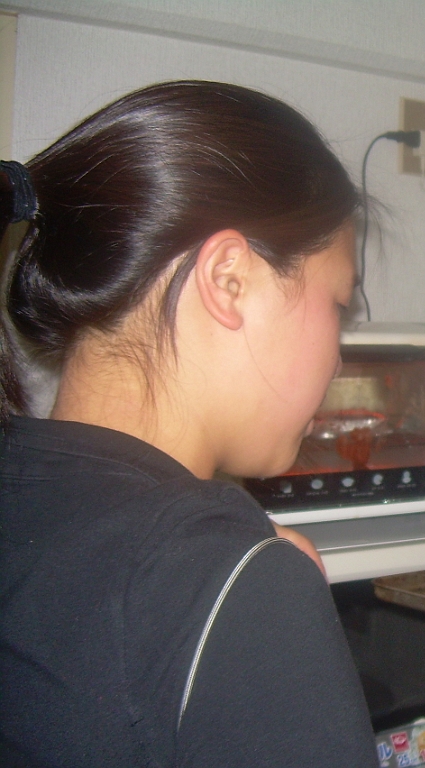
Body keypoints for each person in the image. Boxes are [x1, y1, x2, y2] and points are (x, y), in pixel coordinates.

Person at [0, 81, 376, 767]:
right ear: (229, 279)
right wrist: (251, 601)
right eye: (337, 305)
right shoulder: (233, 580)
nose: (338, 353)